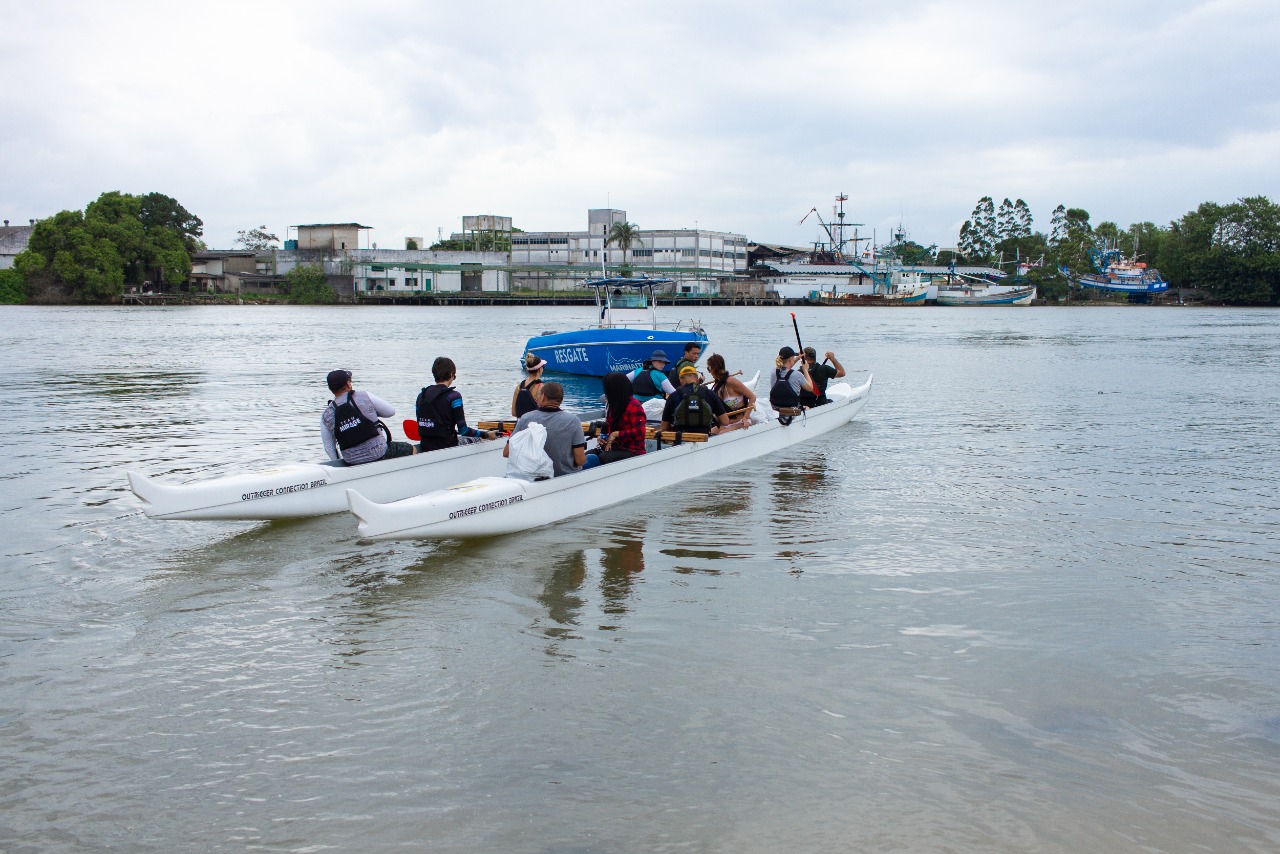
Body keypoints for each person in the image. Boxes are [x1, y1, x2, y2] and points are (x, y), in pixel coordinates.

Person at [320, 369, 416, 464]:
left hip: (351, 461)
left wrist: (341, 464)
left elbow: (329, 448)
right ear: (348, 384)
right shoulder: (363, 396)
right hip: (379, 452)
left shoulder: (326, 414)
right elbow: (390, 412)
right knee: (411, 449)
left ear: (331, 389)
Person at [416, 356, 499, 452]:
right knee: (478, 439)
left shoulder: (421, 395)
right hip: (447, 445)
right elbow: (463, 430)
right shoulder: (454, 397)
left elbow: (420, 423)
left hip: (426, 445)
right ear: (451, 374)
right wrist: (486, 435)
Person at [504, 381, 586, 476]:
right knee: (593, 458)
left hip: (532, 476)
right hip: (564, 476)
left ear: (543, 397)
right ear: (561, 399)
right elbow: (580, 461)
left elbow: (507, 452)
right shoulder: (573, 421)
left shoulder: (526, 418)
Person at [583, 372, 648, 469]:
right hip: (613, 447)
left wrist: (616, 434)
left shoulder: (634, 406)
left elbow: (640, 432)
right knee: (586, 457)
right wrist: (602, 438)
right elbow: (609, 426)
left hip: (632, 450)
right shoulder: (612, 405)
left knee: (604, 457)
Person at [660, 365, 730, 435]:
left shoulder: (673, 396)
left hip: (681, 439)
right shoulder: (710, 394)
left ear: (680, 380)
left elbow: (664, 427)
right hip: (704, 437)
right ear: (696, 379)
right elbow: (725, 421)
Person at [768, 346, 814, 414]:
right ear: (790, 359)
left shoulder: (774, 372)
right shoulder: (797, 375)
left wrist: (797, 359)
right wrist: (805, 370)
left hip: (776, 407)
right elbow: (810, 388)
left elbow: (785, 369)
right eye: (793, 358)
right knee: (808, 408)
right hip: (792, 408)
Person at [512, 352, 546, 418]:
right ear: (540, 369)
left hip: (520, 424)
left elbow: (514, 413)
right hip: (535, 425)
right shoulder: (541, 387)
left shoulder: (518, 387)